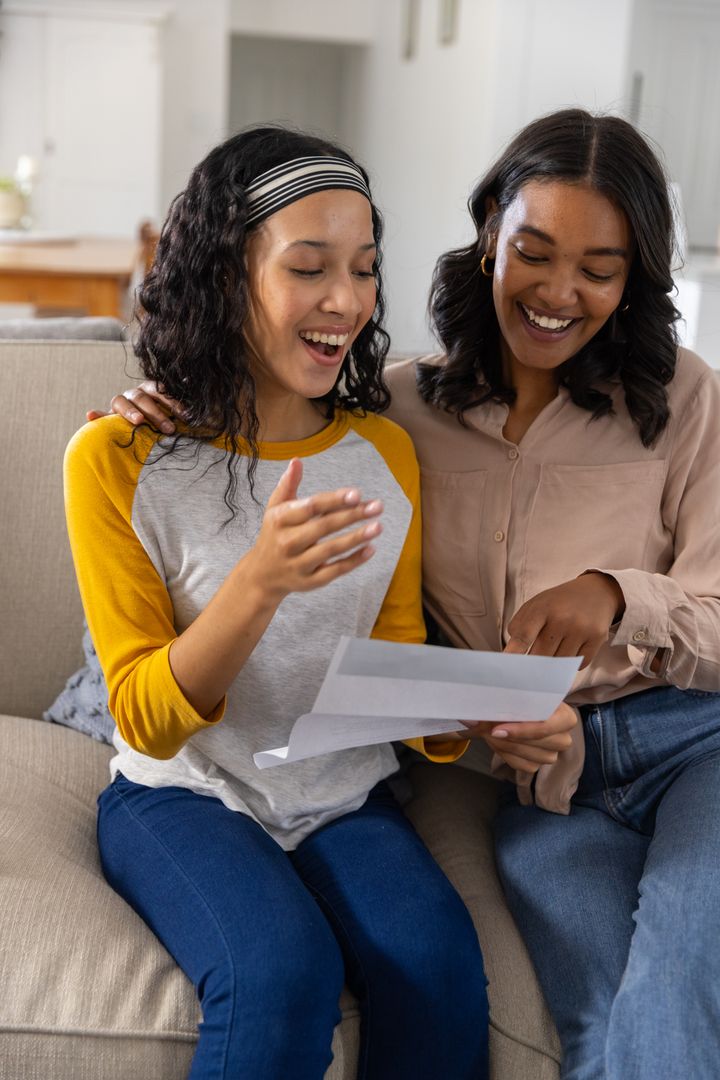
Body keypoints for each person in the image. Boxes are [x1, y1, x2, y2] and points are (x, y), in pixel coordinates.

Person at [108, 108, 720, 1080]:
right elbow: (260, 411)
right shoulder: (396, 412)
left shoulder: (688, 401)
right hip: (547, 784)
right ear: (489, 231)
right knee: (594, 1021)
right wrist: (168, 399)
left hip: (695, 742)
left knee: (668, 985)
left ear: (637, 275)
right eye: (536, 250)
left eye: (600, 269)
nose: (561, 291)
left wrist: (617, 596)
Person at [65, 126, 491, 1080]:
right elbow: (142, 715)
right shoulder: (120, 459)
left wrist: (468, 706)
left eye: (365, 267)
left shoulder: (385, 454)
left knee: (438, 966)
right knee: (282, 972)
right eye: (309, 267)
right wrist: (256, 586)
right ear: (226, 281)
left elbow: (390, 652)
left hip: (342, 788)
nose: (346, 299)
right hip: (182, 796)